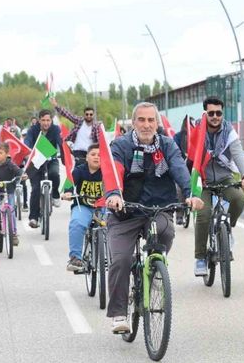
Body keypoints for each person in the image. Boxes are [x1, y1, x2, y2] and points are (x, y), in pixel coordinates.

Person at [105, 102, 204, 333]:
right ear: (134, 122)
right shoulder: (121, 145)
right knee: (121, 261)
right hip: (125, 212)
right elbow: (114, 172)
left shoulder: (168, 145)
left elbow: (180, 168)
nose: (147, 125)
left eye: (151, 120)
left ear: (157, 123)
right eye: (142, 120)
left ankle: (154, 269)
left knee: (166, 231)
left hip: (158, 209)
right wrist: (113, 195)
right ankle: (119, 313)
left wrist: (190, 194)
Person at [193, 96, 244, 276]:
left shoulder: (229, 132)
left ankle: (228, 228)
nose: (215, 116)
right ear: (205, 113)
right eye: (211, 113)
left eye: (218, 113)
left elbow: (237, 154)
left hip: (224, 178)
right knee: (203, 215)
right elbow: (189, 153)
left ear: (222, 113)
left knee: (239, 199)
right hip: (202, 181)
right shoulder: (197, 130)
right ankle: (200, 258)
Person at [61, 144, 103, 271]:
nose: (96, 157)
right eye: (93, 154)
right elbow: (69, 182)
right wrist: (68, 192)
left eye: (100, 155)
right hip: (83, 206)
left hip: (102, 207)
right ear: (86, 157)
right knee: (76, 223)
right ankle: (75, 257)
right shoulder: (79, 170)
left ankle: (115, 257)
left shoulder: (107, 172)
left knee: (113, 226)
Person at [24, 109, 63, 228]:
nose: (46, 123)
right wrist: (28, 150)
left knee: (55, 174)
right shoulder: (33, 130)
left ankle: (55, 195)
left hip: (51, 158)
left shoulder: (55, 129)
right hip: (36, 161)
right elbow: (27, 142)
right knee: (35, 188)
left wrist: (64, 150)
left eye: (48, 120)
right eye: (43, 120)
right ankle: (33, 218)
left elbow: (60, 142)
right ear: (39, 120)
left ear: (51, 121)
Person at [51, 98, 101, 167]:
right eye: (87, 114)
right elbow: (68, 115)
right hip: (77, 151)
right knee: (78, 169)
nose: (89, 116)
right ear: (84, 115)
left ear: (93, 115)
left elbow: (100, 141)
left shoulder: (96, 126)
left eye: (90, 114)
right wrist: (56, 106)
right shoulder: (79, 121)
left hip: (89, 152)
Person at [172, 115, 194, 224]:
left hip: (194, 168)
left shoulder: (196, 136)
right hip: (181, 167)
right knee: (178, 189)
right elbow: (174, 152)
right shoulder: (177, 137)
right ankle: (179, 215)